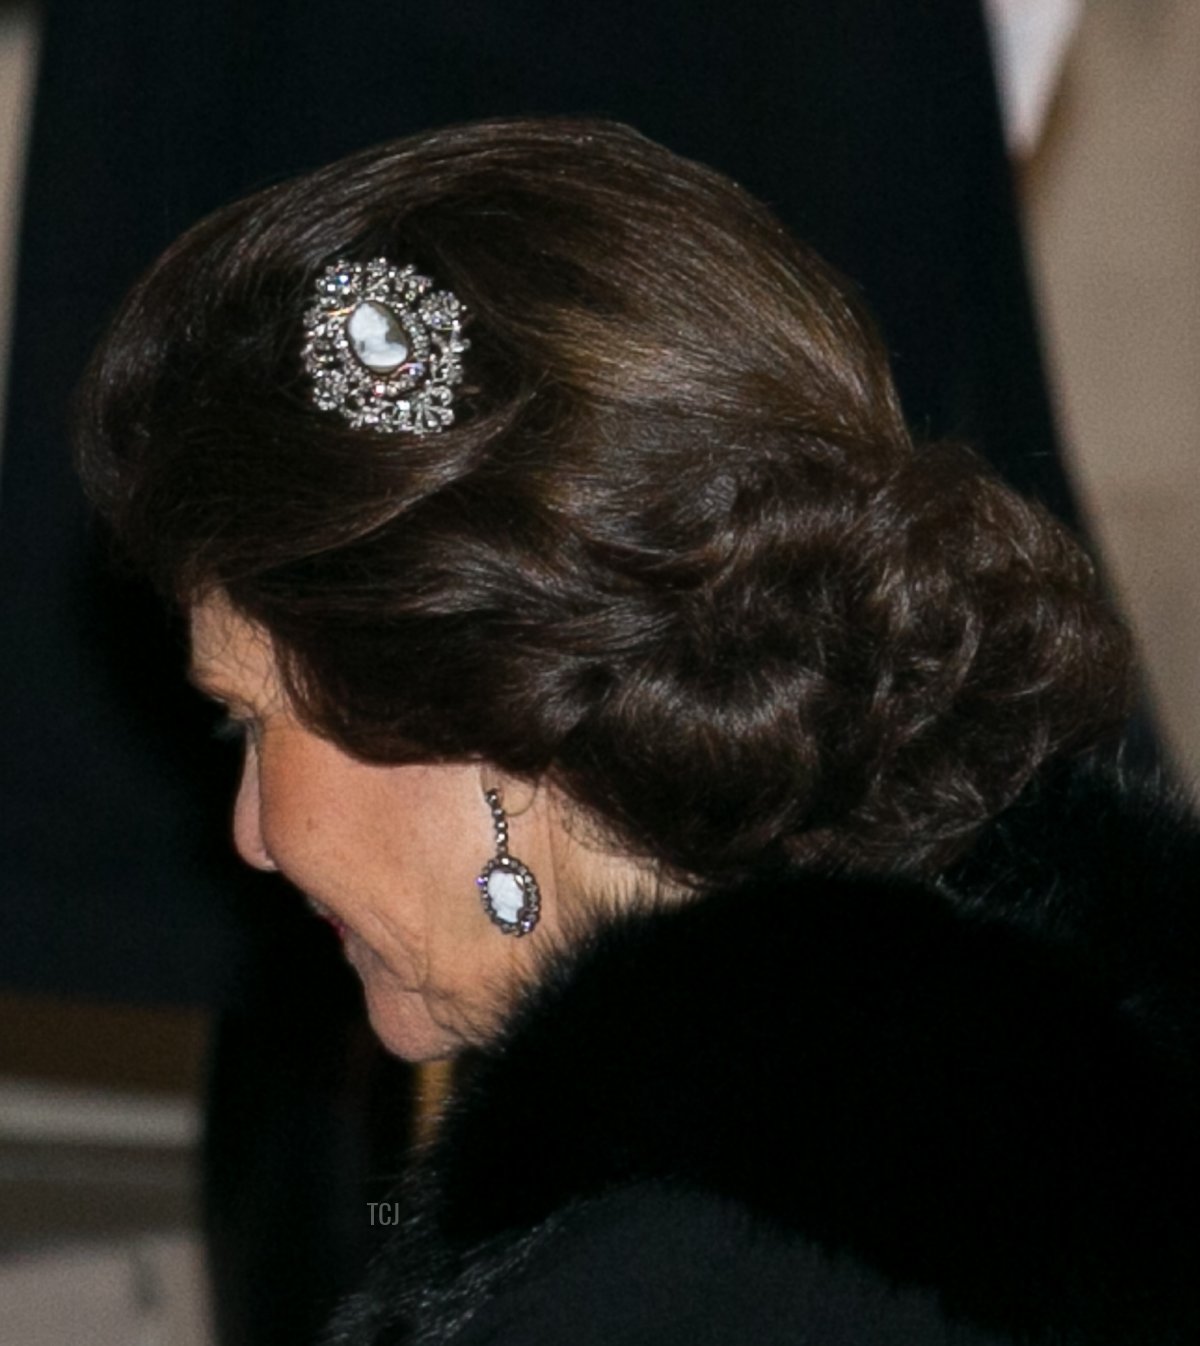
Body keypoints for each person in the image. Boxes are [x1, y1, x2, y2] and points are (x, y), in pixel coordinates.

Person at [76, 119, 1199, 1345]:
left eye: (248, 717)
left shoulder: (669, 1288)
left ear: (465, 689)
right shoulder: (1053, 1090)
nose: (249, 833)